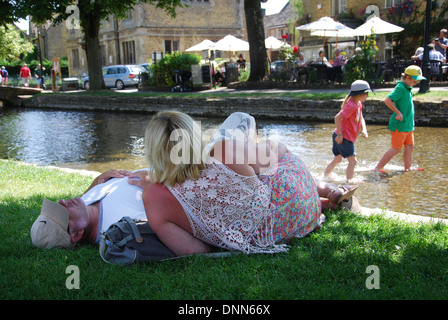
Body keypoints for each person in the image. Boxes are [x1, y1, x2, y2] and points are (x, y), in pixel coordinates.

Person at [136, 111, 358, 256]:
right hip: (299, 206)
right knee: (261, 160)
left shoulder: (153, 197)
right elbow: (278, 150)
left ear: (152, 151)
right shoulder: (223, 151)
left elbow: (195, 251)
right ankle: (327, 193)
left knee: (250, 176)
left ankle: (324, 199)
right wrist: (258, 152)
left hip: (272, 232)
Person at [30, 169, 150, 249]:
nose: (62, 201)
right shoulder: (120, 227)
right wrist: (156, 188)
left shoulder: (84, 206)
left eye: (57, 205)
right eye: (63, 212)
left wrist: (97, 181)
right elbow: (165, 222)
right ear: (76, 235)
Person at [374, 65, 426, 172]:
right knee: (396, 149)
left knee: (410, 147)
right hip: (400, 124)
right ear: (407, 78)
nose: (416, 83)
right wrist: (397, 112)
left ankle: (407, 168)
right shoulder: (401, 88)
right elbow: (387, 100)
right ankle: (378, 168)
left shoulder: (408, 88)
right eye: (415, 81)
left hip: (408, 125)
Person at [324, 80, 371, 183]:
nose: (367, 96)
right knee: (353, 161)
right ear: (360, 94)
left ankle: (325, 176)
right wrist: (340, 134)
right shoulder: (352, 105)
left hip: (341, 135)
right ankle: (349, 181)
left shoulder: (357, 103)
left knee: (338, 159)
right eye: (366, 94)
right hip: (343, 137)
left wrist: (364, 129)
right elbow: (337, 118)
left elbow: (361, 117)